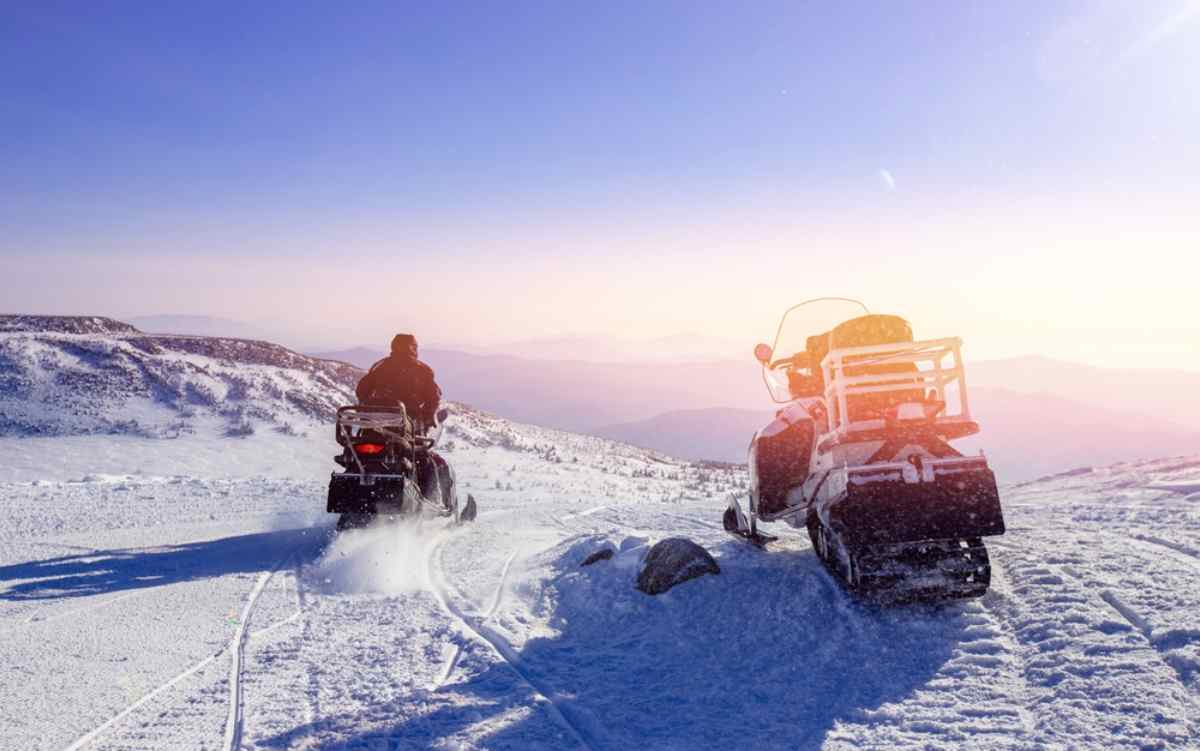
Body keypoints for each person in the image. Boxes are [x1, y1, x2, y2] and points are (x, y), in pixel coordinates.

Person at [355, 333, 442, 430]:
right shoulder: (423, 370)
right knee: (418, 441)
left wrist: (367, 406)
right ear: (412, 348)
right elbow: (434, 397)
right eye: (415, 346)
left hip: (378, 419)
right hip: (408, 421)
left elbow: (362, 389)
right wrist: (427, 416)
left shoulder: (380, 366)